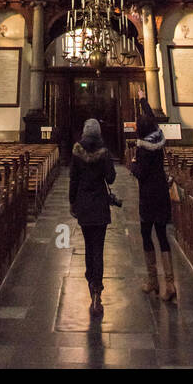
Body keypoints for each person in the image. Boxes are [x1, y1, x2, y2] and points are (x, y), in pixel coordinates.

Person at [69, 117, 116, 317]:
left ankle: (91, 282)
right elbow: (111, 178)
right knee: (99, 247)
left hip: (85, 205)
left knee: (89, 245)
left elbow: (73, 179)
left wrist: (72, 202)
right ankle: (97, 288)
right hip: (100, 205)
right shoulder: (104, 152)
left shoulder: (77, 151)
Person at [130, 104, 176, 302]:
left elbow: (141, 174)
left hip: (148, 196)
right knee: (162, 236)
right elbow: (152, 118)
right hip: (162, 194)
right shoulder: (159, 139)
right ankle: (170, 283)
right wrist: (143, 101)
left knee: (146, 235)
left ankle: (153, 281)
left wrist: (133, 165)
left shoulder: (142, 150)